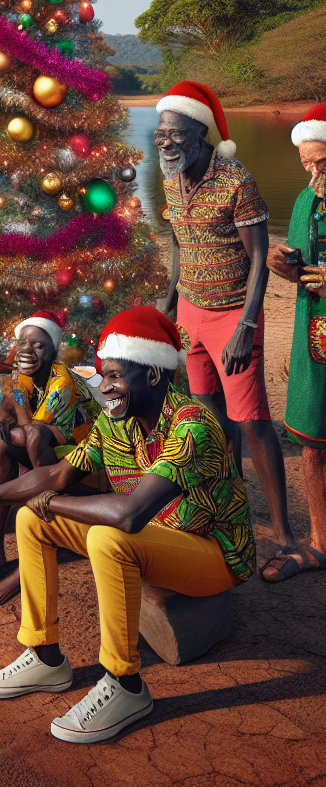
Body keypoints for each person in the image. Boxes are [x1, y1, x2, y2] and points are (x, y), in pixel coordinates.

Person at [0, 306, 254, 744]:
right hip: (156, 537)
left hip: (211, 553)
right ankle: (44, 655)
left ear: (153, 375)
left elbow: (129, 513)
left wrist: (54, 503)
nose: (106, 386)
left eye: (115, 375)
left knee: (108, 535)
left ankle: (125, 684)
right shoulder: (115, 420)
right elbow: (57, 476)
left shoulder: (193, 425)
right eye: (103, 376)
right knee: (31, 520)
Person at [155, 80, 297, 578]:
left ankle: (284, 535)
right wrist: (169, 304)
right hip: (191, 313)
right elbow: (177, 241)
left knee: (253, 420)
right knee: (211, 419)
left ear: (200, 134)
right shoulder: (170, 176)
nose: (165, 142)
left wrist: (247, 325)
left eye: (174, 134)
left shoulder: (235, 178)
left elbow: (259, 256)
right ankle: (231, 512)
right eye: (160, 134)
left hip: (234, 314)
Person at [0, 309, 100, 605]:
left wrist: (13, 416)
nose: (28, 350)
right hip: (48, 436)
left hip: (83, 443)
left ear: (53, 350)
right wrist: (2, 418)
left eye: (39, 345)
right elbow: (9, 403)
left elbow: (30, 429)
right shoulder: (25, 375)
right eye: (24, 343)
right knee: (2, 436)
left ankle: (32, 561)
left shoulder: (62, 382)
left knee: (29, 436)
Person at [263, 102, 326, 580]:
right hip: (313, 335)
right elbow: (300, 261)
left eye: (322, 161)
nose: (313, 172)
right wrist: (279, 264)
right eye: (307, 162)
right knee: (312, 439)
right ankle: (321, 543)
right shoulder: (306, 200)